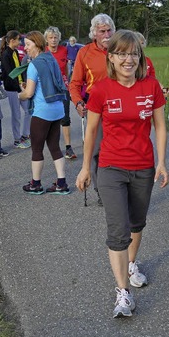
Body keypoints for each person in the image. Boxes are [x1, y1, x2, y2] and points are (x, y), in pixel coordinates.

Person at [75, 29, 169, 318]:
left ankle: (131, 264)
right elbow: (91, 131)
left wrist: (162, 163)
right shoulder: (101, 90)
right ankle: (122, 293)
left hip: (143, 166)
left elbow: (161, 127)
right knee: (118, 231)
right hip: (111, 168)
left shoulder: (150, 86)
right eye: (121, 54)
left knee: (137, 224)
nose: (128, 59)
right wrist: (85, 167)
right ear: (111, 57)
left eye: (133, 53)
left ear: (139, 56)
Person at [69, 13, 115, 206]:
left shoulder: (120, 48)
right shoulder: (85, 52)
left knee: (117, 151)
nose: (106, 35)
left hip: (120, 108)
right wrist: (78, 102)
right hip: (96, 109)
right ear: (94, 33)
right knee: (96, 152)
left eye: (109, 30)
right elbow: (75, 83)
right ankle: (101, 191)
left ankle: (120, 187)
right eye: (102, 31)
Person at [18, 31, 70, 195]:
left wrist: (20, 94)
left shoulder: (34, 65)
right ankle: (61, 183)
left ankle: (36, 184)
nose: (25, 48)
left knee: (37, 148)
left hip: (42, 111)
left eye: (27, 44)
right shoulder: (50, 59)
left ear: (37, 44)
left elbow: (29, 94)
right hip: (57, 109)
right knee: (54, 146)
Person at [44, 26, 75, 159]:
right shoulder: (43, 52)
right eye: (51, 38)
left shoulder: (64, 50)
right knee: (51, 118)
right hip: (49, 89)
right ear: (46, 39)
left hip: (63, 88)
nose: (53, 40)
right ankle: (54, 147)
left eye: (56, 37)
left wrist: (68, 83)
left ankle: (68, 147)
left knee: (65, 117)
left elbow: (67, 70)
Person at [0, 30, 31, 149]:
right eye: (18, 39)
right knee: (16, 115)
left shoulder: (15, 52)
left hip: (19, 87)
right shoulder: (5, 54)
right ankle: (17, 139)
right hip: (12, 88)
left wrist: (22, 82)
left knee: (29, 110)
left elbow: (18, 69)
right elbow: (10, 73)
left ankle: (25, 135)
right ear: (12, 40)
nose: (20, 42)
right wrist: (18, 88)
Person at [133, 31, 169, 99]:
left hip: (148, 93)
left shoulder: (148, 61)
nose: (142, 46)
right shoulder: (129, 62)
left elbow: (153, 79)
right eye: (139, 44)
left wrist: (162, 89)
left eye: (142, 43)